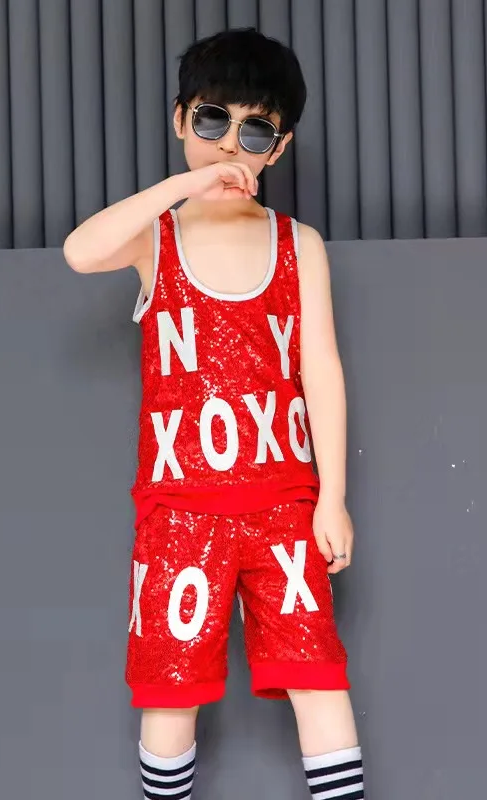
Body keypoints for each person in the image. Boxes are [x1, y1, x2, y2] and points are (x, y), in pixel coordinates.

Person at [64, 27, 364, 800]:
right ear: (180, 121)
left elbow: (320, 370)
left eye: (255, 131)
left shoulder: (298, 244)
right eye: (211, 120)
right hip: (180, 510)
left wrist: (331, 496)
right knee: (171, 690)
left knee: (317, 677)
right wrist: (183, 186)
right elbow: (80, 251)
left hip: (283, 504)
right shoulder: (155, 239)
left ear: (280, 148)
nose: (231, 144)